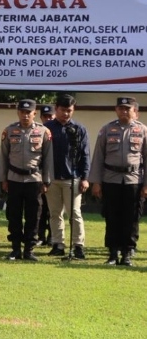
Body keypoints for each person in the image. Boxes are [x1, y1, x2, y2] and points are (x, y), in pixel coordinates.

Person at [89, 97, 147, 266]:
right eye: (121, 108)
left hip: (134, 180)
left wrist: (146, 185)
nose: (124, 111)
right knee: (112, 216)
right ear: (116, 110)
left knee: (132, 218)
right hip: (111, 179)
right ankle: (113, 253)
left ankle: (127, 253)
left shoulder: (143, 130)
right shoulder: (107, 129)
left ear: (134, 111)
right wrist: (96, 182)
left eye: (127, 109)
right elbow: (98, 157)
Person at [0, 99, 53, 261]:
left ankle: (29, 250)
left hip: (34, 180)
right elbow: (4, 157)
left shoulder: (43, 132)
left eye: (29, 112)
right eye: (22, 112)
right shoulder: (9, 131)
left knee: (33, 216)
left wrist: (46, 180)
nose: (25, 115)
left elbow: (48, 158)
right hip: (14, 179)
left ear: (34, 113)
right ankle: (15, 249)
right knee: (13, 215)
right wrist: (3, 179)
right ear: (18, 113)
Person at [43, 95, 90, 260]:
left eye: (69, 110)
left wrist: (85, 178)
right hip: (52, 178)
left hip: (73, 178)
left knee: (75, 213)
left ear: (73, 110)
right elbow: (41, 155)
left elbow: (85, 155)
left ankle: (78, 245)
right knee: (55, 213)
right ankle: (58, 244)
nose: (66, 114)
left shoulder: (79, 129)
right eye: (63, 110)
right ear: (56, 109)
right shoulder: (46, 128)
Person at [37, 104, 55, 246]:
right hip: (39, 176)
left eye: (50, 116)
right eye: (45, 116)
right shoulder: (38, 132)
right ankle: (40, 236)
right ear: (41, 117)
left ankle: (52, 236)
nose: (48, 119)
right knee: (40, 208)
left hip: (55, 176)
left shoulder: (58, 132)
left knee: (53, 209)